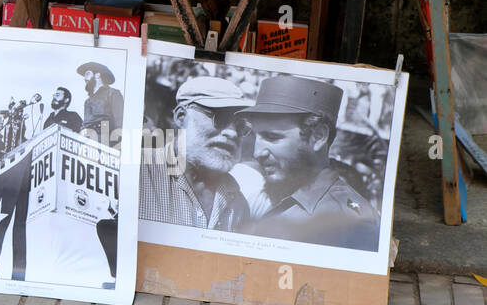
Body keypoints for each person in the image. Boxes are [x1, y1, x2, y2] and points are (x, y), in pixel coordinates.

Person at [238, 76, 380, 250]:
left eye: (272, 137)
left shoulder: (346, 223)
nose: (256, 153)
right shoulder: (279, 194)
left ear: (318, 136)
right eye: (255, 136)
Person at [138, 76, 253, 230]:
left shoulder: (238, 203)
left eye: (240, 126)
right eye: (220, 118)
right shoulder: (139, 170)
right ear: (181, 117)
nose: (232, 133)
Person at [79, 60, 123, 143]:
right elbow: (85, 124)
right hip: (88, 141)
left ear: (98, 75)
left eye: (87, 73)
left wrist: (115, 144)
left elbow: (119, 121)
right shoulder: (88, 101)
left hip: (106, 140)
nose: (85, 78)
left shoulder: (113, 93)